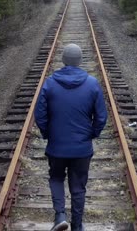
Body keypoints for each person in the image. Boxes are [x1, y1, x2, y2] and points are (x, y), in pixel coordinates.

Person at [35, 43, 108, 231]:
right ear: (80, 61)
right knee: (78, 187)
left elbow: (40, 115)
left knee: (56, 178)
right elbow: (101, 117)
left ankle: (60, 216)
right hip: (82, 149)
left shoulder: (50, 83)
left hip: (57, 146)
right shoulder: (92, 83)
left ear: (64, 60)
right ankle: (77, 226)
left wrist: (48, 134)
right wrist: (92, 134)